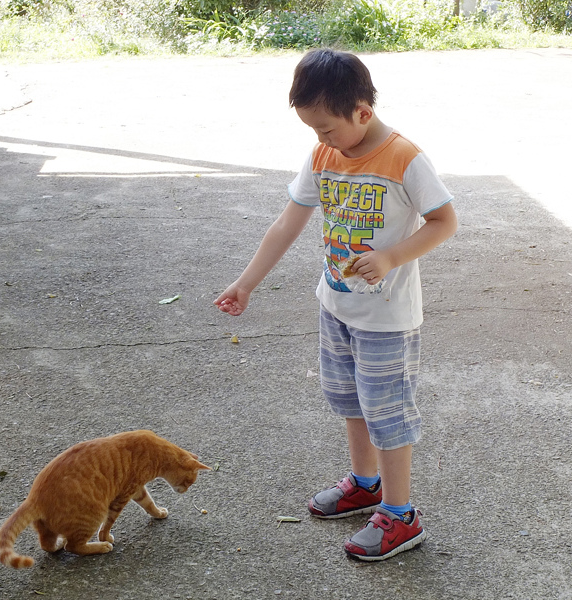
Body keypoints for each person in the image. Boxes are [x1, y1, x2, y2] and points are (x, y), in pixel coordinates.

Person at [214, 48, 457, 561]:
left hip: (387, 319)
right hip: (337, 306)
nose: (320, 140)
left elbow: (444, 222)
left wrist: (392, 255)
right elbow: (288, 223)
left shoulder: (403, 157)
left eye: (326, 129)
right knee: (350, 402)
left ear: (362, 113)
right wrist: (246, 283)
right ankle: (365, 484)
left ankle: (400, 515)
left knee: (387, 413)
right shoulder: (323, 156)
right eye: (312, 130)